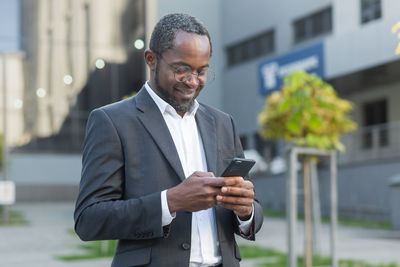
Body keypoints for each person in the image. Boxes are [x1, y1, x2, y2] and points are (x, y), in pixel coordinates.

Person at [74, 13, 263, 267]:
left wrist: (245, 211)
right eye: (181, 69)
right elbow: (89, 220)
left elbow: (253, 210)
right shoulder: (112, 121)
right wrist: (170, 201)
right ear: (151, 60)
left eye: (202, 71)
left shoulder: (223, 123)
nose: (193, 81)